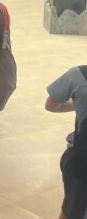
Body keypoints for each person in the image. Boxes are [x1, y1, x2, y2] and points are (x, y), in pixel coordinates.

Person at [45, 65, 87, 219]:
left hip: (81, 161)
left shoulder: (77, 75)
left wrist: (78, 103)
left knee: (73, 210)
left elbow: (51, 105)